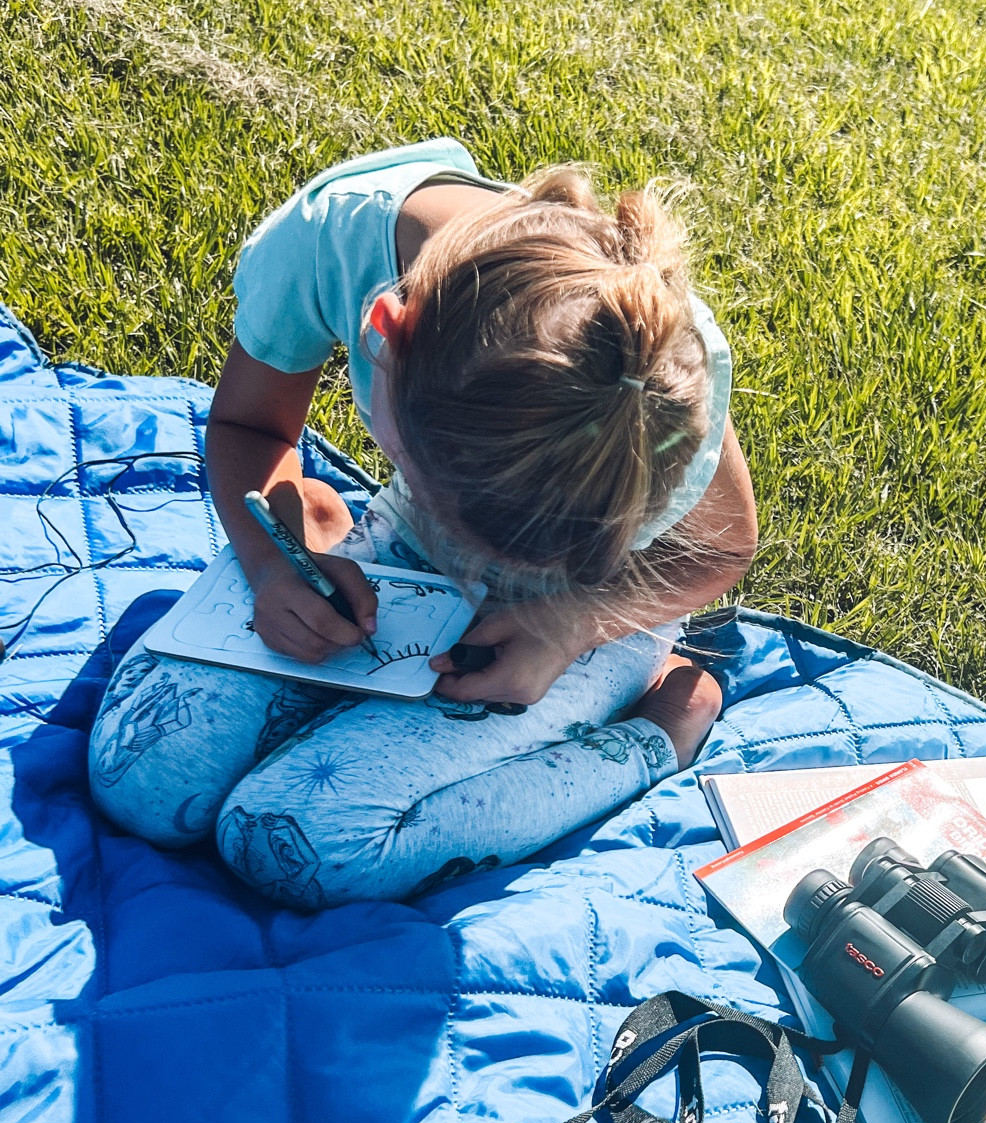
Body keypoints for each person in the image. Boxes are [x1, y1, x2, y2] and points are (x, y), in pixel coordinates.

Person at [87, 140, 756, 909]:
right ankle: (332, 520)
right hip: (412, 545)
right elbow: (250, 428)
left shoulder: (654, 365)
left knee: (299, 842)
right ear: (388, 333)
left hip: (596, 597)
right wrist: (278, 560)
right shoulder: (327, 243)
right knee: (141, 778)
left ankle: (661, 727)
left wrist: (567, 625)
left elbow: (724, 547)